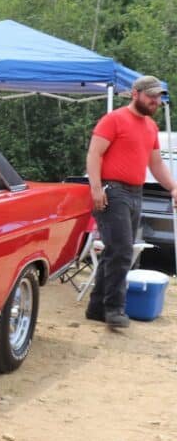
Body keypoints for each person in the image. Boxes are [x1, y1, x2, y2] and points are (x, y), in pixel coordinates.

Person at [85, 75, 177, 329]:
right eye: (151, 96)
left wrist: (173, 187)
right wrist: (95, 189)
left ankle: (96, 308)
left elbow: (156, 164)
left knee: (116, 251)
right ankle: (114, 308)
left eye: (158, 97)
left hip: (136, 193)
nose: (155, 101)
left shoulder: (150, 127)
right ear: (135, 94)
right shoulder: (113, 119)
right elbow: (94, 153)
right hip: (112, 190)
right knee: (124, 250)